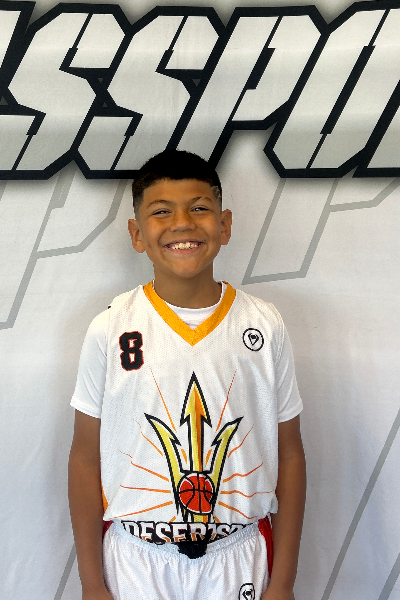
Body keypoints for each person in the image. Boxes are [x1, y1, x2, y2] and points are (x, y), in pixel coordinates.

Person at [68, 150, 306, 600]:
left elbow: (290, 454)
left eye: (199, 208)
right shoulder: (111, 326)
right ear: (137, 234)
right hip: (136, 558)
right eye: (161, 212)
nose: (182, 223)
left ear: (225, 225)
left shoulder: (264, 323)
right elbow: (84, 457)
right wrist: (91, 583)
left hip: (238, 555)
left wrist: (284, 582)